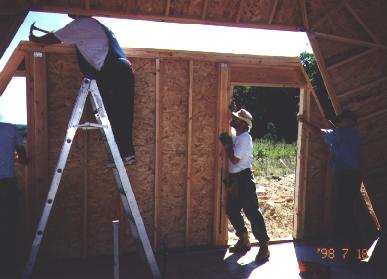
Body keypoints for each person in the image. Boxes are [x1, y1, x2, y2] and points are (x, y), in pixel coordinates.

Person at [29, 14, 136, 166]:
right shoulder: (96, 24)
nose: (68, 12)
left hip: (113, 70)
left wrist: (34, 38)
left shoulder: (81, 24)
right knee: (121, 114)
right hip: (120, 69)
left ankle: (123, 155)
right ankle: (125, 154)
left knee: (113, 114)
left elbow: (50, 39)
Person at [297, 109, 362, 250]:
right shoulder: (351, 133)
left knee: (343, 209)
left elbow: (320, 134)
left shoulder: (344, 133)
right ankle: (348, 242)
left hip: (346, 176)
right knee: (346, 208)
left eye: (342, 120)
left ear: (350, 122)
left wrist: (303, 121)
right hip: (352, 175)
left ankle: (346, 243)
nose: (339, 122)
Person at [219, 109, 270, 262]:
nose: (233, 120)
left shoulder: (245, 138)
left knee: (252, 213)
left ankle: (264, 247)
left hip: (244, 180)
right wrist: (230, 107)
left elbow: (234, 160)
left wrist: (228, 147)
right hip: (236, 180)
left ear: (243, 123)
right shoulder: (238, 136)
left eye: (236, 119)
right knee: (232, 209)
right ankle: (244, 239)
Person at [0, 122, 28, 277]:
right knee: (10, 225)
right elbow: (23, 158)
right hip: (7, 186)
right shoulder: (10, 129)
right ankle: (11, 269)